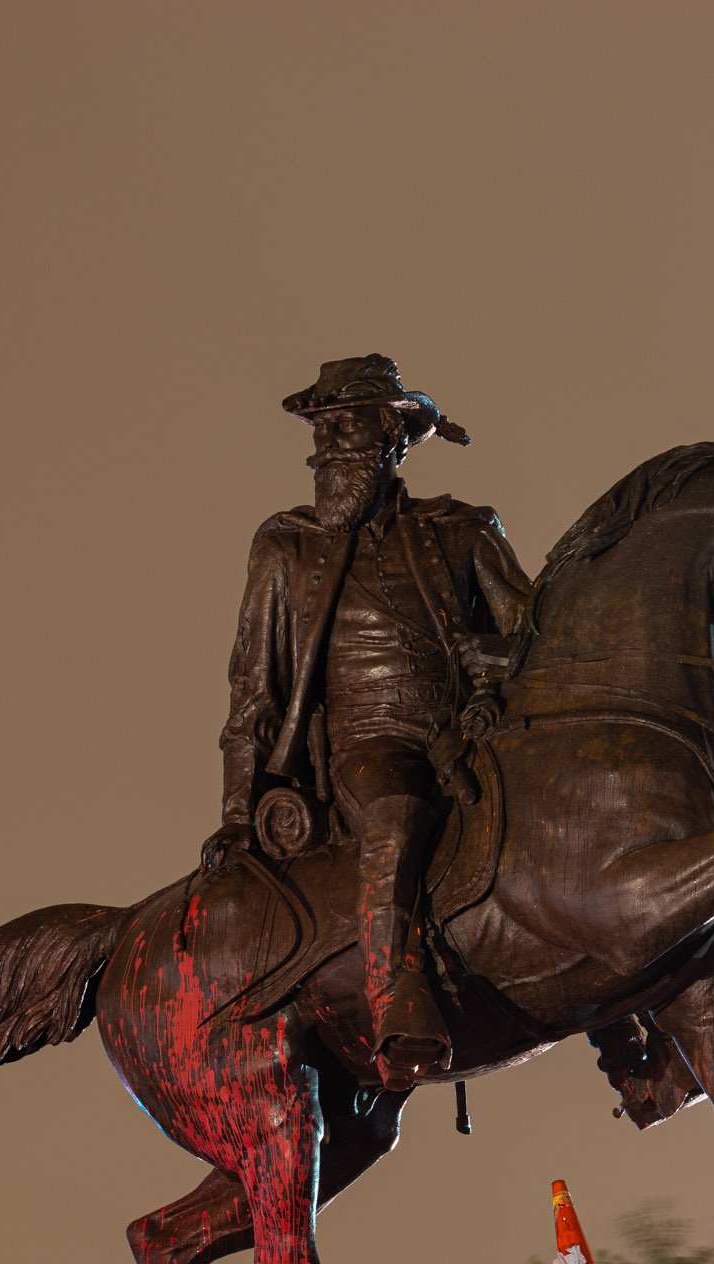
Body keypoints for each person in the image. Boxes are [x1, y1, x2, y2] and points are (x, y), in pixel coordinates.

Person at [219, 355, 532, 1086]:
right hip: (371, 747)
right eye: (320, 435)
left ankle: (631, 1040)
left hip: (474, 736)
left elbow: (534, 639)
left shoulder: (463, 531)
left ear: (392, 438)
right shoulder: (287, 547)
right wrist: (239, 812)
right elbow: (253, 688)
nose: (326, 451)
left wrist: (488, 657)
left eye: (345, 431)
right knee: (395, 808)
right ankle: (398, 996)